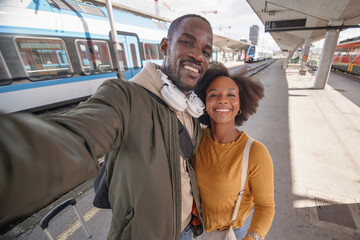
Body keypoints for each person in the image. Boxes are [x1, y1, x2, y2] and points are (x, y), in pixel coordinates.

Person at [0, 14, 213, 240]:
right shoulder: (125, 97)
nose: (198, 55)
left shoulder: (191, 109)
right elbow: (74, 138)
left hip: (188, 229)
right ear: (165, 45)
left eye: (206, 51)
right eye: (187, 42)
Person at [193, 63, 275, 240]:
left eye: (231, 95)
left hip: (234, 233)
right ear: (204, 102)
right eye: (213, 95)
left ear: (240, 105)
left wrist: (253, 237)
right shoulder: (195, 138)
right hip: (196, 230)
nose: (222, 100)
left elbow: (265, 206)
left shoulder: (255, 153)